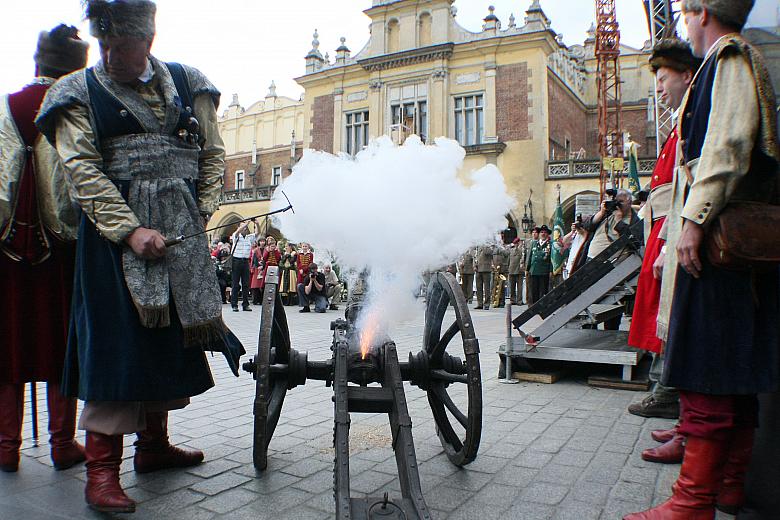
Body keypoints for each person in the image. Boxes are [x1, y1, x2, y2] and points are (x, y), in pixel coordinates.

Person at [36, 1, 245, 512]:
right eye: (102, 44)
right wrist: (129, 231)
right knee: (116, 344)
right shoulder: (76, 92)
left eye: (120, 45)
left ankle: (152, 447)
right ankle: (101, 470)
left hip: (179, 234)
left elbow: (213, 154)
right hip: (112, 245)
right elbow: (82, 170)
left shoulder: (187, 82)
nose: (108, 55)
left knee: (167, 340)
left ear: (147, 40)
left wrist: (200, 209)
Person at [625, 1, 779, 518]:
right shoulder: (726, 61)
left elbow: (726, 149)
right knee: (732, 368)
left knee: (710, 366)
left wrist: (692, 221)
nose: (685, 22)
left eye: (688, 12)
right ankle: (729, 486)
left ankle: (691, 503)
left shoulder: (730, 57)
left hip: (718, 242)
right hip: (725, 245)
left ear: (702, 12)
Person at [0, 25, 89, 474]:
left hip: (6, 251)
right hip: (60, 252)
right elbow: (78, 186)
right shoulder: (72, 110)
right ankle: (61, 443)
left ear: (38, 63)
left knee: (7, 345)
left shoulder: (4, 108)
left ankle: (5, 446)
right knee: (59, 344)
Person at [626, 39, 701, 468]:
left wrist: (672, 237)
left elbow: (689, 183)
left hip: (675, 226)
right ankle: (678, 408)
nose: (658, 86)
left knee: (672, 320)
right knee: (662, 317)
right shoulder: (681, 119)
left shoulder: (690, 118)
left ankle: (676, 402)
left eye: (662, 77)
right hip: (664, 224)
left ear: (684, 75)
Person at [584, 189, 640, 261]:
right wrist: (601, 213)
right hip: (591, 258)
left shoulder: (635, 220)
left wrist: (619, 221)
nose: (617, 205)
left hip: (613, 264)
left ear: (629, 202)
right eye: (615, 201)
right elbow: (587, 227)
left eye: (621, 202)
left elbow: (634, 243)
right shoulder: (608, 213)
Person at [230, 219, 256, 311]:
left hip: (245, 261)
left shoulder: (249, 238)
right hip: (236, 261)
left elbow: (259, 233)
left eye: (245, 227)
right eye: (243, 227)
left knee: (246, 284)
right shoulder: (236, 236)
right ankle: (234, 304)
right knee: (235, 284)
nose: (245, 228)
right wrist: (245, 224)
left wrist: (257, 224)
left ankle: (245, 304)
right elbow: (237, 232)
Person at [526, 225, 553, 304]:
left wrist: (551, 270)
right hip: (534, 270)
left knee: (543, 290)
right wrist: (527, 269)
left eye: (545, 232)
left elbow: (552, 259)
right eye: (541, 232)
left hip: (544, 271)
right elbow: (530, 257)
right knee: (534, 290)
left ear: (548, 234)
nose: (543, 234)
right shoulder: (534, 243)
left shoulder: (550, 244)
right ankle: (534, 305)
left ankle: (543, 305)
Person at [473, 243, 493, 310]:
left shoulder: (488, 245)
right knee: (479, 288)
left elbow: (488, 252)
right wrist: (474, 265)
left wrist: (484, 245)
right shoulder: (478, 247)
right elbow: (475, 257)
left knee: (486, 288)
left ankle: (487, 304)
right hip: (478, 269)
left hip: (486, 269)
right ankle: (480, 303)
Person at [507, 238, 525, 305]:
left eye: (517, 243)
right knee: (512, 286)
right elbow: (508, 260)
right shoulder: (511, 250)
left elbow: (523, 259)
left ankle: (519, 300)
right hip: (511, 270)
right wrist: (507, 268)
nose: (516, 244)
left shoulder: (521, 250)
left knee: (519, 287)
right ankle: (512, 300)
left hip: (519, 271)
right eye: (515, 243)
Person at [491, 243, 509, 308]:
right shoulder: (493, 247)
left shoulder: (505, 247)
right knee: (494, 286)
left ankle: (502, 302)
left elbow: (507, 254)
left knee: (502, 286)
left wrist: (501, 247)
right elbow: (491, 257)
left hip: (503, 269)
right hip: (495, 269)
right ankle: (495, 301)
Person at [249, 237, 265, 305]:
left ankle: (262, 300)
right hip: (257, 269)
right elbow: (254, 260)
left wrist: (263, 266)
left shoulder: (266, 250)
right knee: (256, 285)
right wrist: (258, 266)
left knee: (262, 285)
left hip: (264, 269)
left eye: (263, 241)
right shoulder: (256, 250)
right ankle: (255, 300)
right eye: (261, 241)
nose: (262, 242)